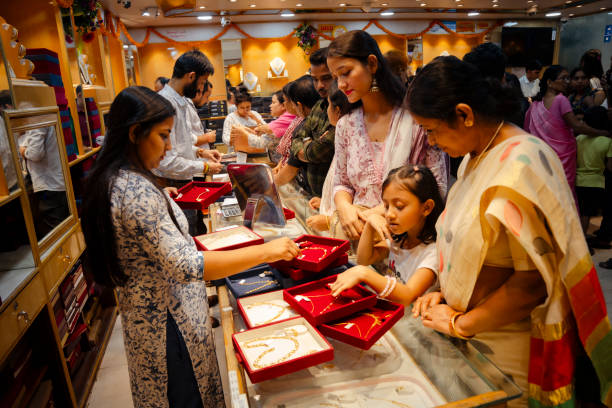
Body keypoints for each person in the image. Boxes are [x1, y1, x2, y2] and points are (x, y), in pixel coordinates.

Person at [407, 56, 611, 408]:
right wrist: (446, 296)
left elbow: (531, 282)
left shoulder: (520, 165)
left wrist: (461, 322)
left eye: (432, 130)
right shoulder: (477, 155)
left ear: (465, 114)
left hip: (505, 343)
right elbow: (474, 248)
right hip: (473, 328)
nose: (432, 142)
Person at [80, 86, 300, 408]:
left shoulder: (120, 178)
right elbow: (187, 265)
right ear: (134, 133)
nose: (169, 146)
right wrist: (269, 251)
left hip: (154, 315)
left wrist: (162, 202)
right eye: (163, 136)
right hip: (168, 322)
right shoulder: (135, 191)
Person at [326, 30, 448, 241]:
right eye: (336, 77)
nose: (341, 85)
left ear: (372, 64)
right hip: (359, 240)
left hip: (409, 243)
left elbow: (437, 188)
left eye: (345, 73)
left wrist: (375, 215)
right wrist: (344, 207)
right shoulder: (346, 124)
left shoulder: (417, 121)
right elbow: (342, 182)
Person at [331, 165, 443, 306]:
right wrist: (370, 225)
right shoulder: (401, 238)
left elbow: (407, 296)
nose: (389, 214)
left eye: (399, 206)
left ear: (426, 208)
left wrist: (364, 273)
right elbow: (364, 259)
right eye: (386, 206)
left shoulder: (432, 253)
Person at [154, 50, 222, 235]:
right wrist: (205, 167)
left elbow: (180, 143)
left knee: (195, 230)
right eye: (200, 83)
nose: (200, 89)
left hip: (182, 179)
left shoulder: (180, 100)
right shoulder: (166, 103)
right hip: (173, 181)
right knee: (186, 234)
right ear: (190, 76)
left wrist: (200, 152)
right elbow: (168, 161)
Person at [524, 65, 609, 195]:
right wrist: (602, 133)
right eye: (563, 78)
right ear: (550, 83)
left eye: (568, 79)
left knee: (545, 193)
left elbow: (527, 131)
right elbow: (577, 126)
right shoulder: (561, 99)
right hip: (562, 158)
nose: (567, 82)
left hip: (542, 157)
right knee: (564, 194)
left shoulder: (536, 104)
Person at [287, 47, 336, 198]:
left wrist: (306, 146)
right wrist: (308, 146)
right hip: (316, 198)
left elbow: (318, 152)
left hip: (335, 198)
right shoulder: (318, 106)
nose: (320, 85)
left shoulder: (344, 111)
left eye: (326, 78)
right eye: (315, 79)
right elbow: (296, 139)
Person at [305, 81, 354, 233]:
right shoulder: (343, 134)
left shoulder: (351, 139)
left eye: (328, 105)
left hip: (342, 228)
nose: (326, 112)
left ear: (337, 110)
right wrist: (326, 202)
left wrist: (330, 221)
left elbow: (355, 195)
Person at [273, 75, 323, 193]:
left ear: (299, 105)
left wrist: (269, 185)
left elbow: (292, 167)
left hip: (313, 191)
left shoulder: (305, 124)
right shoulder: (316, 120)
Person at [575, 107, 612, 241]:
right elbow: (610, 166)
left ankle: (578, 237)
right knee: (586, 213)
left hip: (578, 180)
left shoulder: (578, 138)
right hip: (595, 182)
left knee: (579, 211)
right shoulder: (607, 142)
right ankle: (583, 241)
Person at [222, 88, 268, 153]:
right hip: (237, 152)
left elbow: (267, 130)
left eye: (248, 107)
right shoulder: (230, 118)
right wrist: (232, 140)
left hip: (256, 151)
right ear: (236, 106)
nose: (245, 110)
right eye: (242, 108)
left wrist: (256, 120)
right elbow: (225, 138)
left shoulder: (255, 114)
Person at [271, 82, 304, 166]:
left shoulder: (301, 120)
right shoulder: (296, 118)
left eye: (286, 101)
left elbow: (293, 155)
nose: (284, 104)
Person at [189, 81, 217, 150]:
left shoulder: (192, 106)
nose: (207, 101)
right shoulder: (185, 108)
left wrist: (204, 133)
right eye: (207, 96)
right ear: (199, 92)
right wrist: (207, 137)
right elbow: (186, 141)